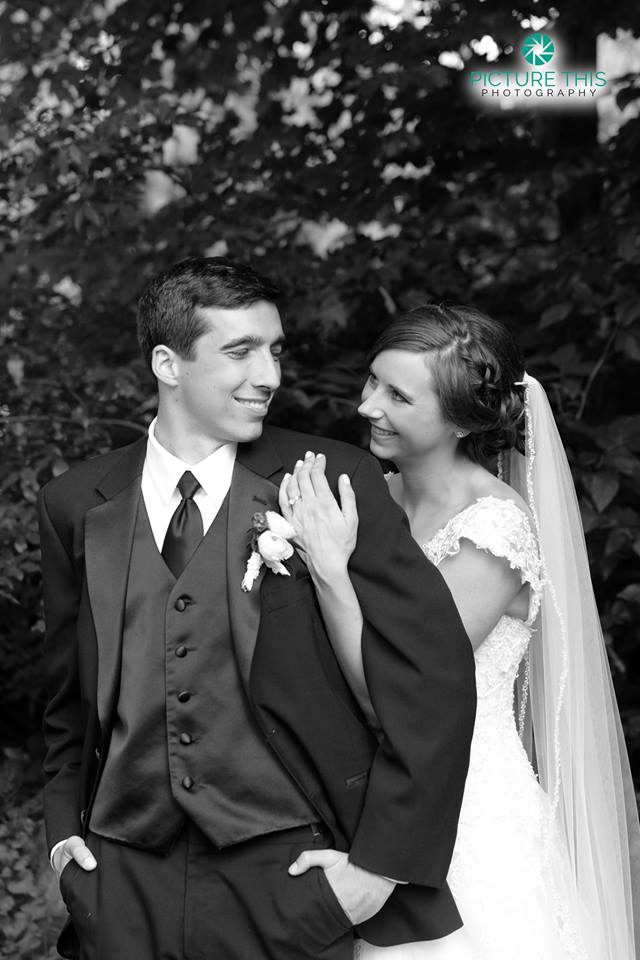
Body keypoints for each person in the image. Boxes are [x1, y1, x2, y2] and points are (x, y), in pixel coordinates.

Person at [38, 259, 476, 960]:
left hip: (290, 876)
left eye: (275, 350)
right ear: (168, 363)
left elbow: (435, 679)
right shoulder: (75, 502)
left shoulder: (334, 478)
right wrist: (65, 839)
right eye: (240, 351)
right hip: (118, 882)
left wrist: (380, 868)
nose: (268, 375)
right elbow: (66, 699)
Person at [281, 304, 640, 960]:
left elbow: (396, 694)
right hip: (358, 800)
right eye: (372, 381)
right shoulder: (368, 498)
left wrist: (330, 571)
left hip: (465, 819)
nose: (366, 406)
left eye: (397, 396)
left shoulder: (493, 533)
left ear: (459, 419)